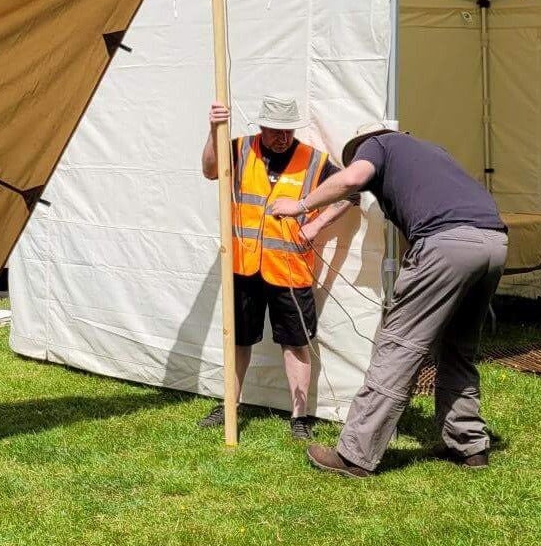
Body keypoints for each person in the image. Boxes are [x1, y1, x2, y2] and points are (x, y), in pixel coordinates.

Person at [269, 121, 508, 476]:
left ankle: (355, 455)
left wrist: (302, 205)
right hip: (494, 241)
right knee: (459, 347)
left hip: (447, 243)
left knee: (398, 349)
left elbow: (352, 179)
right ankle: (470, 445)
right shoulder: (432, 151)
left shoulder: (378, 146)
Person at [201, 94, 355, 440]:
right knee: (238, 340)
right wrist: (214, 130)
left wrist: (314, 226)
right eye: (274, 131)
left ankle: (299, 418)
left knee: (296, 342)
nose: (282, 138)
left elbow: (350, 194)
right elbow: (210, 170)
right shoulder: (239, 149)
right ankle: (230, 404)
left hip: (289, 268)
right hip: (244, 266)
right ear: (261, 126)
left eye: (287, 131)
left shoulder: (314, 162)